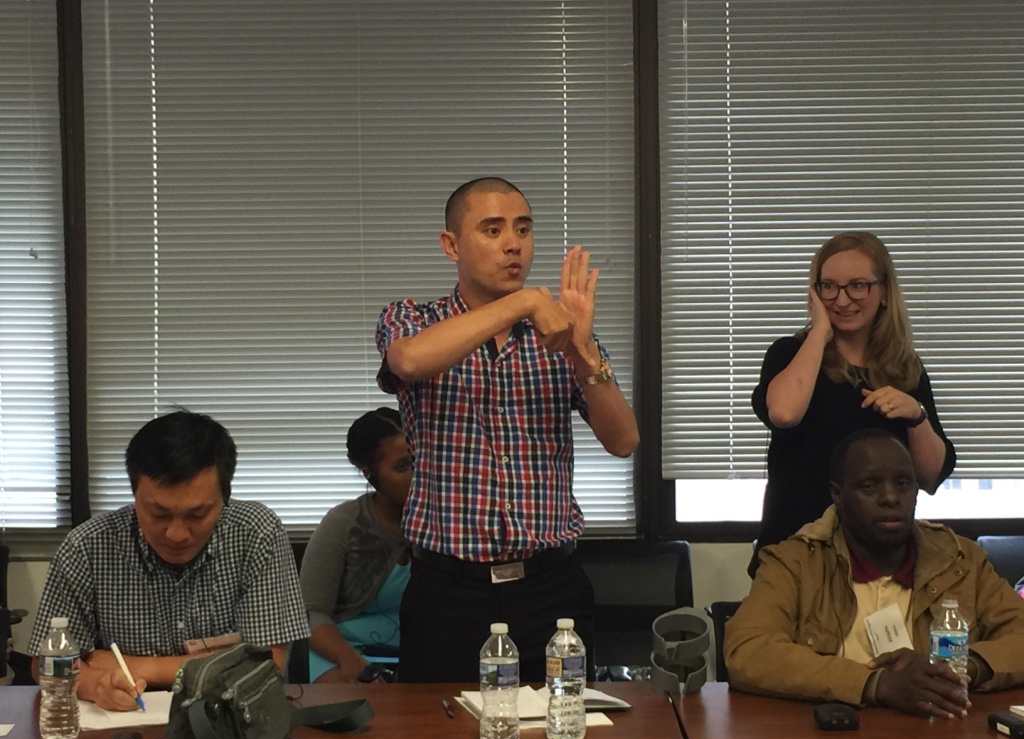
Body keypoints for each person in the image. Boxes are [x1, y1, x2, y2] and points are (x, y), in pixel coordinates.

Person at [375, 176, 639, 683]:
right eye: (492, 230)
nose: (513, 244)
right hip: (448, 591)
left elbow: (623, 440)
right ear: (451, 245)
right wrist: (523, 302)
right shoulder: (410, 318)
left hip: (551, 588)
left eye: (522, 229)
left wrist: (583, 353)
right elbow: (409, 360)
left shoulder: (558, 332)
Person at [725, 429, 1024, 718]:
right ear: (837, 494)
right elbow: (748, 650)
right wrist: (875, 684)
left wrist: (957, 667)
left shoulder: (961, 560)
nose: (891, 498)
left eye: (904, 483)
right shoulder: (797, 562)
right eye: (870, 485)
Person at [28, 410, 309, 711]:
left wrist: (136, 668)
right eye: (159, 514)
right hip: (121, 727)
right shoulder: (87, 546)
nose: (176, 534)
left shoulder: (256, 533)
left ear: (224, 499)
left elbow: (267, 666)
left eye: (197, 515)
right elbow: (46, 666)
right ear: (134, 494)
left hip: (231, 724)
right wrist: (97, 685)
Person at [750, 231, 955, 576]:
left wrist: (915, 416)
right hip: (795, 556)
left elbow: (931, 477)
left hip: (880, 561)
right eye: (829, 287)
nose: (842, 300)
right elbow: (784, 413)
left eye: (857, 285)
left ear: (884, 290)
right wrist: (819, 332)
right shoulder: (790, 354)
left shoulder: (907, 369)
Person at [299, 407, 411, 683]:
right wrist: (353, 663)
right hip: (340, 652)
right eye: (402, 466)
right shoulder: (344, 523)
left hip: (416, 655)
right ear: (369, 472)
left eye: (423, 462)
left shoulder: (447, 522)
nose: (417, 475)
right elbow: (310, 613)